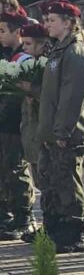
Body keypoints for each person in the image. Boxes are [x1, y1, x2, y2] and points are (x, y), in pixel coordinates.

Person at [36, 0, 84, 254]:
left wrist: (62, 130)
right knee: (53, 180)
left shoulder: (75, 52)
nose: (47, 24)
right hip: (52, 131)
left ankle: (74, 234)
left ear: (69, 23)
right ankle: (55, 228)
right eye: (46, 20)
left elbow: (72, 96)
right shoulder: (58, 50)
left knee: (69, 182)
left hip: (68, 132)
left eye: (52, 20)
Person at [0, 13, 38, 241]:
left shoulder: (23, 59)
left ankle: (25, 218)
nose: (0, 35)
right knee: (5, 171)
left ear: (17, 32)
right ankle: (9, 216)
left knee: (17, 171)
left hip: (16, 123)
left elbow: (22, 94)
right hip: (4, 123)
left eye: (3, 30)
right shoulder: (7, 55)